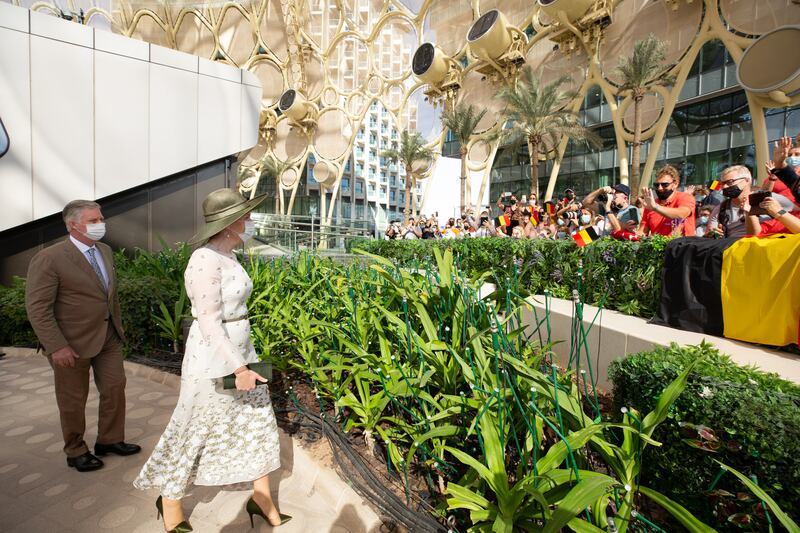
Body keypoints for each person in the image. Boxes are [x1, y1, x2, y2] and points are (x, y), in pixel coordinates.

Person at [134, 189, 288, 532]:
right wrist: (239, 368)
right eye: (245, 216)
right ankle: (171, 499)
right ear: (230, 223)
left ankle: (261, 496)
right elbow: (208, 322)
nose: (249, 221)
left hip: (242, 351)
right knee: (196, 427)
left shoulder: (230, 255)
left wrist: (246, 360)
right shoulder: (203, 260)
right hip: (214, 358)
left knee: (257, 421)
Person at [25, 200, 140, 473]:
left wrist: (117, 327)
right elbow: (37, 307)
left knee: (114, 387)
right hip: (70, 343)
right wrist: (56, 346)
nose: (101, 224)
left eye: (101, 218)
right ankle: (75, 450)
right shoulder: (49, 258)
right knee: (72, 400)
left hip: (108, 336)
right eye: (93, 221)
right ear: (73, 224)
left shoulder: (105, 250)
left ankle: (110, 440)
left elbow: (108, 295)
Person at [706, 165, 794, 239]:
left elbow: (796, 211)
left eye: (730, 182)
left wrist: (780, 212)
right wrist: (713, 234)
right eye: (722, 183)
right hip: (733, 251)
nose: (724, 187)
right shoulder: (720, 208)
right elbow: (709, 235)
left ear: (747, 180)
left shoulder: (769, 198)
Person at [640, 164, 696, 237]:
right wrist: (631, 233)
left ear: (675, 184)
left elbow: (682, 214)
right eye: (657, 185)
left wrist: (655, 208)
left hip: (683, 246)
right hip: (658, 247)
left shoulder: (685, 197)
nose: (660, 188)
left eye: (665, 185)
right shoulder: (651, 204)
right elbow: (643, 232)